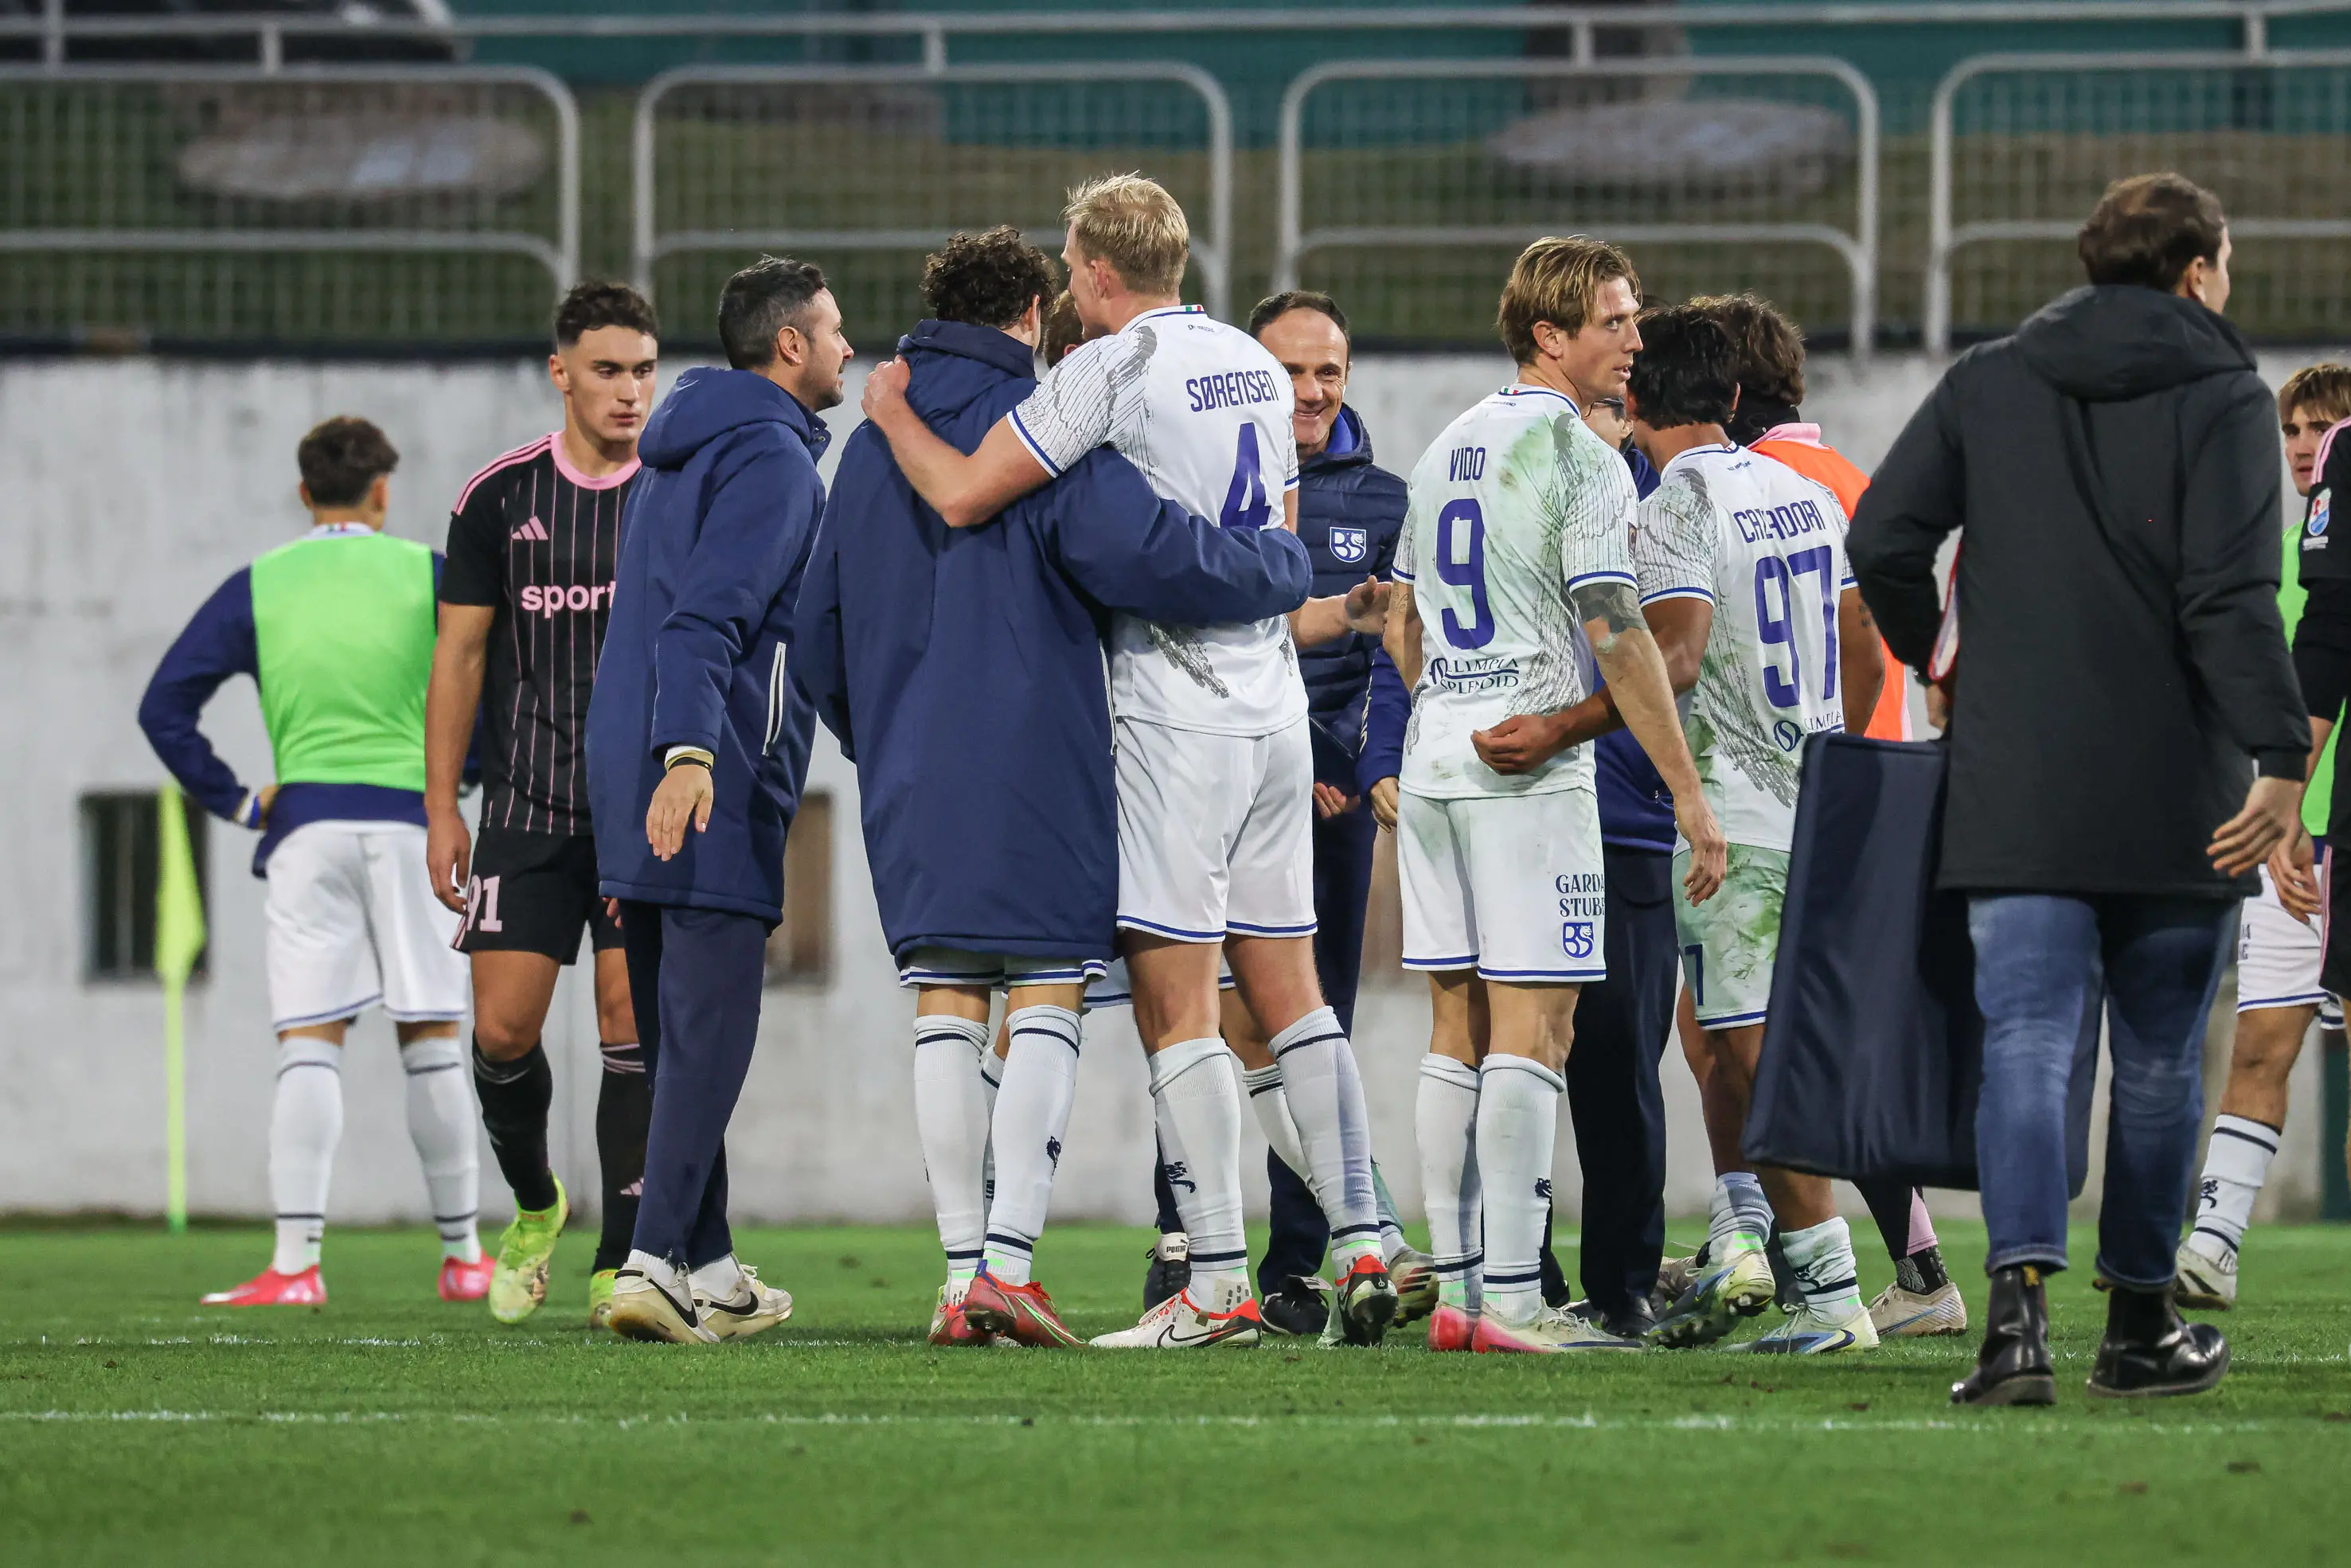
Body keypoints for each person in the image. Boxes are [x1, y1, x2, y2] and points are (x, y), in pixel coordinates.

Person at [858, 174, 1398, 1349]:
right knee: (1294, 993)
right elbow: (1282, 536)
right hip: (1272, 702)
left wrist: (892, 413)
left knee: (1175, 1002)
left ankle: (1213, 1283)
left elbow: (959, 495)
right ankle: (1366, 1234)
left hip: (1173, 708)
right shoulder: (1255, 366)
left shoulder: (1101, 370)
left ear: (1094, 271)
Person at [1851, 173, 2307, 1404]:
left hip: (2019, 782)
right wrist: (2282, 757)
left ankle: (2013, 1332)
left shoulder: (1990, 377)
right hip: (2182, 788)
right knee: (2160, 1064)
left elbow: (1885, 539)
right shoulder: (2221, 392)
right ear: (2200, 269)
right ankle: (2141, 1328)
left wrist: (1938, 664)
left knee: (2030, 1043)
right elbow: (2229, 598)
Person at [1384, 240, 1728, 1354]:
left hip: (1438, 751)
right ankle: (1517, 1305)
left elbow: (1401, 614)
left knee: (1455, 1025)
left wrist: (1445, 702)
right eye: (1615, 322)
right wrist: (1687, 794)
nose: (1635, 341)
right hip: (1523, 775)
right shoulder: (1579, 455)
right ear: (1550, 335)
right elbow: (1618, 632)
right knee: (1539, 1026)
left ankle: (1454, 1287)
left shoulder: (1446, 443)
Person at [139, 418, 485, 1307]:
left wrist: (236, 796)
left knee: (308, 1044)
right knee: (434, 1041)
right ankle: (466, 1257)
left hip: (305, 830)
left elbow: (164, 706)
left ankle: (295, 1266)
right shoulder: (428, 573)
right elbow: (493, 678)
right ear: (382, 491)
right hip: (417, 826)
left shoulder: (258, 582)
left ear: (304, 494)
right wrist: (459, 779)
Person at [1142, 289, 1435, 1339]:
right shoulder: (1198, 469)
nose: (1312, 391)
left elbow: (1392, 648)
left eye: (1330, 371)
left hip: (1333, 796)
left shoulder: (1386, 500)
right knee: (1188, 1010)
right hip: (1219, 769)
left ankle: (1301, 1262)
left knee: (1307, 1019)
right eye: (1292, 370)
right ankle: (1188, 1242)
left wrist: (1355, 761)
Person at [585, 256, 846, 1344]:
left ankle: (714, 1265)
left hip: (627, 764)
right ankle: (650, 1260)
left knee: (677, 1034)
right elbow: (708, 622)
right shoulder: (777, 463)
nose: (845, 344)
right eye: (832, 329)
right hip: (707, 774)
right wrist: (694, 753)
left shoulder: (680, 451)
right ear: (787, 345)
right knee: (712, 1034)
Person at [1696, 289, 1965, 1340]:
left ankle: (1761, 1242)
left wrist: (1825, 772)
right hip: (1880, 780)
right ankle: (1890, 1260)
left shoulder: (1734, 483)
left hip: (1803, 798)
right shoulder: (1852, 477)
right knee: (1815, 1035)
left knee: (1743, 1035)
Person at [1623, 303, 1884, 1355]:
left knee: (1744, 1053)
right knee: (1752, 1051)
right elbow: (1864, 640)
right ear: (1733, 399)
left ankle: (1830, 1297)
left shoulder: (1673, 505)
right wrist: (1831, 752)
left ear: (1636, 397)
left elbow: (1675, 659)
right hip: (1807, 804)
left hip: (1730, 817)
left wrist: (1571, 715)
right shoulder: (1798, 491)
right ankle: (1800, 1276)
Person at [1431, 383, 1691, 1341]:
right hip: (1516, 803)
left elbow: (1674, 653)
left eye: (1622, 404)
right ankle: (1517, 1275)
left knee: (1618, 1060)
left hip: (1621, 817)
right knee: (1510, 1044)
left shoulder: (1655, 516)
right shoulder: (1517, 488)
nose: (1604, 418)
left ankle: (1620, 1285)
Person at [424, 281, 660, 1328]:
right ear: (560, 371)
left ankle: (623, 1254)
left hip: (642, 808)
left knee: (626, 1019)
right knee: (505, 1032)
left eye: (645, 369)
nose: (629, 390)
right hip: (524, 805)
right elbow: (461, 655)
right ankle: (534, 1201)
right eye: (607, 369)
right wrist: (442, 807)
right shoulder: (498, 498)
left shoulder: (677, 487)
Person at [2176, 361, 2351, 1309]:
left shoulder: (2335, 563)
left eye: (2320, 429)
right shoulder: (2271, 554)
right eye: (2291, 431)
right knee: (2258, 1047)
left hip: (2336, 837)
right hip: (2283, 840)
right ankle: (2213, 1243)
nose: (2300, 448)